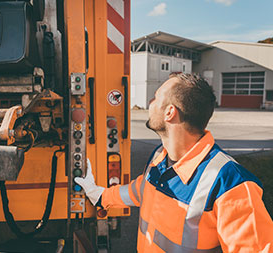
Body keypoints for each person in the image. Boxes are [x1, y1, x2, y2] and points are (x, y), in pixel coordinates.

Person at [75, 73, 273, 252]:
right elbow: (142, 190)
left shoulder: (231, 184)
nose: (150, 102)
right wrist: (100, 195)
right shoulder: (160, 156)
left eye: (155, 97)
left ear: (170, 112)